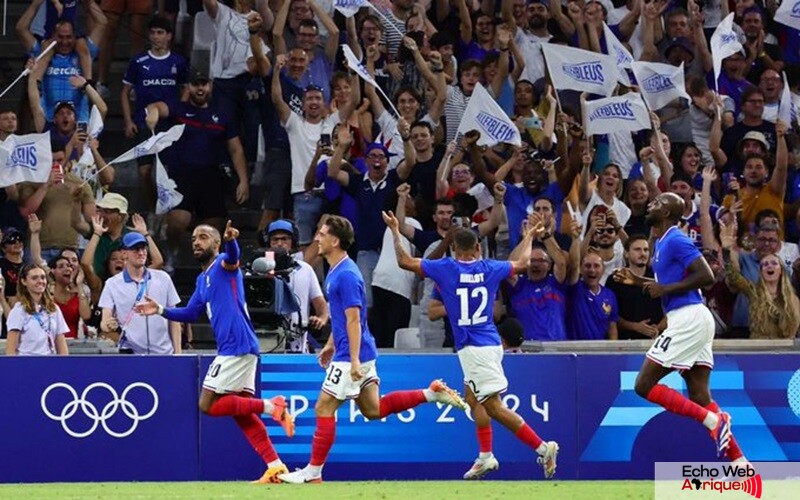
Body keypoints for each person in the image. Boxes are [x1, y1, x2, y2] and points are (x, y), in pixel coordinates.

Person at [278, 215, 467, 484]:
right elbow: (343, 318)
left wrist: (352, 360)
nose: (317, 238)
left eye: (321, 234)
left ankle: (313, 471)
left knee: (323, 407)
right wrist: (331, 344)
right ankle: (430, 393)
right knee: (373, 409)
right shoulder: (337, 269)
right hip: (357, 352)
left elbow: (355, 318)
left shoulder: (346, 274)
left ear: (335, 240)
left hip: (353, 356)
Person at [384, 212, 560, 479]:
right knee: (471, 398)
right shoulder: (490, 267)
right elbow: (523, 262)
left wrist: (396, 231)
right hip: (484, 344)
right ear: (478, 248)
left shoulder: (445, 268)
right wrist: (529, 236)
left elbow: (404, 261)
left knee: (494, 407)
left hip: (476, 349)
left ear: (454, 250)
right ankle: (485, 456)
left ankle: (542, 447)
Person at [136, 221, 295, 484]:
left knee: (206, 404)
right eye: (194, 238)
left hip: (236, 345)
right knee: (241, 413)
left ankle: (272, 406)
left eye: (203, 237)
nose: (197, 242)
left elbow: (233, 257)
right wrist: (161, 310)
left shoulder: (223, 263)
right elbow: (190, 312)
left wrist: (232, 240)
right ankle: (276, 466)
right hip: (238, 347)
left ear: (216, 244)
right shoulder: (203, 278)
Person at [612, 193, 745, 463]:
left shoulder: (675, 239)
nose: (652, 203)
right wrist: (638, 281)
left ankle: (713, 421)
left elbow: (706, 276)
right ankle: (741, 466)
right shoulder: (662, 242)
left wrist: (664, 288)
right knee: (699, 394)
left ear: (668, 214)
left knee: (643, 385)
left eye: (658, 202)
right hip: (692, 317)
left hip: (688, 318)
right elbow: (668, 283)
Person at [99, 232, 182, 354]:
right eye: (135, 249)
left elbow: (174, 318)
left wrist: (178, 352)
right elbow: (104, 321)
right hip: (131, 355)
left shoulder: (163, 278)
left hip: (164, 354)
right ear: (124, 253)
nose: (141, 252)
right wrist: (108, 325)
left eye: (143, 248)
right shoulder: (112, 284)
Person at [5, 264, 69, 356]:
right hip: (27, 365)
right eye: (34, 278)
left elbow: (61, 345)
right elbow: (10, 351)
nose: (40, 281)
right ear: (24, 281)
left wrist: (65, 368)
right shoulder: (18, 310)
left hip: (50, 364)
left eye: (43, 277)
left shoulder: (54, 309)